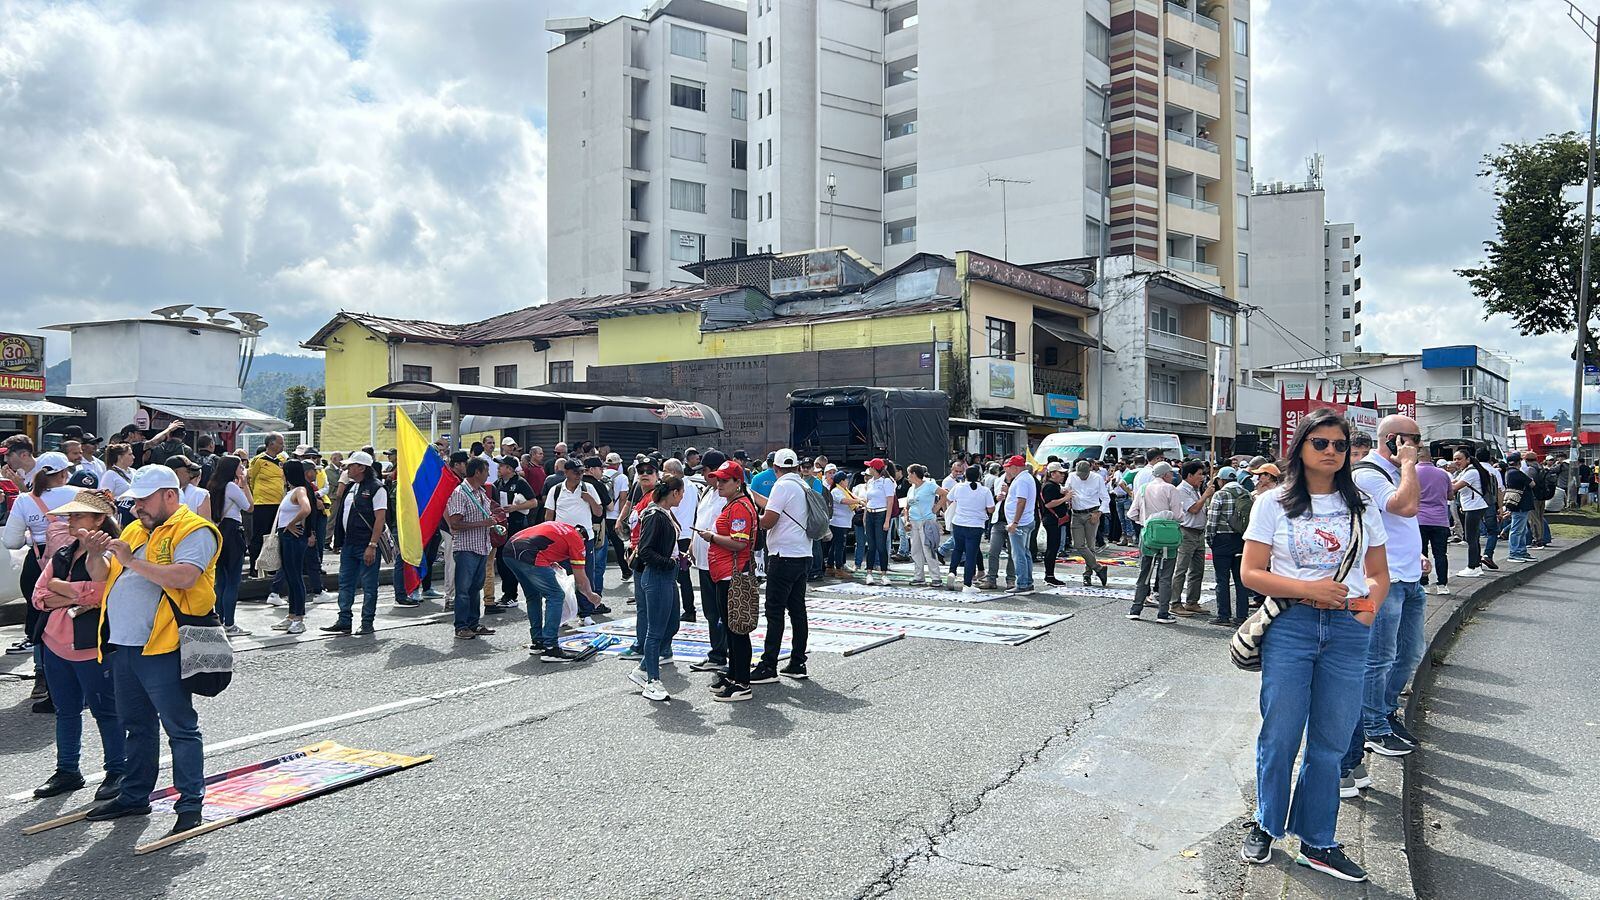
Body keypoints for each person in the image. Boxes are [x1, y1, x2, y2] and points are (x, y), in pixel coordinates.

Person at [1238, 409, 1389, 883]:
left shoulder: (1361, 503)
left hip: (1347, 631)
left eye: (1339, 445)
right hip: (1291, 626)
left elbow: (1379, 574)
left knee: (1331, 740)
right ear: (1300, 446)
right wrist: (1309, 591)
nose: (1330, 452)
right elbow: (1251, 572)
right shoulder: (1273, 502)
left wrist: (1365, 613)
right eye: (1320, 443)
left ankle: (1318, 841)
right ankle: (1267, 824)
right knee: (1280, 734)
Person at [85, 464, 220, 837]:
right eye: (134, 500)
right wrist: (94, 553)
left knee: (180, 727)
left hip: (165, 643)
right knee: (136, 726)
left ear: (170, 496)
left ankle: (190, 803)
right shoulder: (133, 528)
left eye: (144, 499)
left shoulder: (194, 529)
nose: (137, 506)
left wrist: (129, 560)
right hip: (124, 644)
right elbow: (100, 575)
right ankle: (134, 795)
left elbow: (185, 576)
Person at [1338, 414, 1424, 799]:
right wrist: (1408, 464)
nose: (1418, 446)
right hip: (1382, 583)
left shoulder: (1399, 471)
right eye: (1412, 439)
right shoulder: (1368, 473)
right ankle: (1373, 727)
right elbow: (1405, 508)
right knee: (1378, 658)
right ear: (1391, 440)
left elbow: (1409, 520)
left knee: (1408, 655)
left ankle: (1384, 712)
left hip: (1409, 578)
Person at [29, 489, 127, 801]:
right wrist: (75, 593)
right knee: (65, 711)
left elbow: (103, 593)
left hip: (91, 646)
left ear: (100, 519)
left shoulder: (112, 551)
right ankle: (67, 769)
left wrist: (63, 590)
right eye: (69, 515)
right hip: (54, 643)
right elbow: (38, 595)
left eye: (78, 515)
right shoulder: (63, 552)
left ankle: (117, 770)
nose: (70, 520)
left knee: (105, 711)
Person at [4, 452, 76, 679]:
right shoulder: (80, 494)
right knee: (77, 611)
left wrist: (33, 536)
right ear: (64, 473)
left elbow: (11, 541)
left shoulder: (26, 500)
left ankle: (42, 674)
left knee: (39, 615)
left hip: (39, 562)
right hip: (76, 561)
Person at [752, 449, 815, 682]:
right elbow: (782, 508)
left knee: (774, 611)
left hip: (782, 554)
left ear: (775, 468)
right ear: (797, 466)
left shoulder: (781, 486)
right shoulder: (802, 485)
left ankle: (768, 665)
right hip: (803, 553)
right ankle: (798, 662)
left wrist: (753, 518)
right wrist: (755, 496)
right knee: (797, 609)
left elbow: (769, 520)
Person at [698, 461, 758, 700]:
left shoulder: (740, 507)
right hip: (725, 574)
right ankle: (735, 675)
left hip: (732, 575)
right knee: (732, 628)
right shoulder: (732, 504)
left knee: (737, 629)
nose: (719, 484)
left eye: (724, 480)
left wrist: (712, 537)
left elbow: (740, 543)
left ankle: (742, 682)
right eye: (718, 480)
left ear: (738, 482)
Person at [501, 520, 602, 663]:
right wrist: (590, 595)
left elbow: (542, 540)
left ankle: (538, 642)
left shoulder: (561, 526)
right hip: (529, 553)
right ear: (584, 538)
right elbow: (580, 579)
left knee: (533, 596)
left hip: (509, 549)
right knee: (556, 595)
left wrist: (548, 560)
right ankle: (551, 647)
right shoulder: (577, 540)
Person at [631, 476, 685, 701]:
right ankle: (652, 680)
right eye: (681, 493)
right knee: (655, 631)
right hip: (656, 577)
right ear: (673, 493)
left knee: (672, 625)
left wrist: (677, 559)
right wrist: (669, 562)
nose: (682, 497)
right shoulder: (655, 515)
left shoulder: (663, 514)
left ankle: (643, 669)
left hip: (667, 576)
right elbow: (645, 551)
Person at [326, 451, 388, 635]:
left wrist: (372, 545)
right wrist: (338, 539)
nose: (348, 468)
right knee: (345, 583)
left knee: (369, 585)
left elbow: (380, 518)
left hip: (366, 544)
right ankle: (344, 620)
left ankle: (367, 622)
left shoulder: (377, 488)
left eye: (352, 466)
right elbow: (341, 516)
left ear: (362, 468)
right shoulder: (351, 487)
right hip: (349, 544)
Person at [1126, 461, 1185, 623]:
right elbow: (1179, 515)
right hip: (1168, 537)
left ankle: (1135, 609)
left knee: (1144, 573)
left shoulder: (1144, 488)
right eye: (1171, 473)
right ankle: (1163, 613)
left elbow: (1132, 513)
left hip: (1148, 535)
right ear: (1165, 474)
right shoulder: (1170, 489)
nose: (1172, 476)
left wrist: (1145, 521)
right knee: (1165, 575)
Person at [445, 458, 497, 640]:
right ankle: (461, 626)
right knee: (464, 589)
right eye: (486, 471)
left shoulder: (481, 492)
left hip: (482, 546)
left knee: (476, 588)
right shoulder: (461, 493)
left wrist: (492, 525)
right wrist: (482, 523)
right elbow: (455, 523)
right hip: (467, 548)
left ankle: (474, 623)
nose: (488, 475)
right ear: (477, 472)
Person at [202, 455, 254, 635]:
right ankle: (230, 624)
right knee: (233, 580)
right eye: (240, 467)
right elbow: (249, 507)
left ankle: (220, 620)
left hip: (218, 532)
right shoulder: (231, 486)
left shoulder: (213, 485)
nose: (242, 470)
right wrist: (245, 484)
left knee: (221, 580)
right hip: (232, 532)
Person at [688, 460, 729, 670]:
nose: (703, 475)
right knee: (711, 612)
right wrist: (693, 546)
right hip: (703, 562)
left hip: (721, 562)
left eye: (704, 471)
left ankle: (720, 655)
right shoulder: (706, 492)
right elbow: (700, 520)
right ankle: (717, 652)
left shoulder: (729, 495)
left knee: (723, 612)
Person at [266, 460, 313, 635]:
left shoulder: (300, 490)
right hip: (288, 537)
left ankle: (299, 617)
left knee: (295, 577)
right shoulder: (292, 491)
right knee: (290, 576)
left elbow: (306, 509)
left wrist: (292, 524)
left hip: (293, 537)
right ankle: (292, 615)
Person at [488, 457, 537, 613]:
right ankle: (507, 593)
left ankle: (512, 595)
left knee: (511, 560)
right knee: (501, 560)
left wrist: (516, 507)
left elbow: (534, 502)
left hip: (517, 525)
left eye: (502, 466)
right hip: (502, 526)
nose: (499, 469)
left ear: (509, 468)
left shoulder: (520, 482)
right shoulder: (498, 483)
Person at [1204, 466, 1253, 626]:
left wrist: (1210, 540)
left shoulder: (1220, 495)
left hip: (1222, 539)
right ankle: (1241, 616)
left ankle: (1223, 615)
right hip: (1241, 540)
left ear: (1221, 480)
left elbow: (1212, 520)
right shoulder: (1247, 494)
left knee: (1222, 579)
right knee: (1240, 580)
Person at [944, 466, 996, 593]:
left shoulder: (959, 487)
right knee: (971, 554)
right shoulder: (984, 491)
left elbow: (949, 498)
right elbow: (991, 509)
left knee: (957, 549)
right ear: (979, 476)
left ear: (965, 476)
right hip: (976, 524)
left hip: (959, 522)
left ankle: (952, 572)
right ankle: (967, 584)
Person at [663, 459, 701, 621]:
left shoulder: (676, 488)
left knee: (677, 576)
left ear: (673, 472)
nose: (662, 475)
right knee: (683, 576)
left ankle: (688, 610)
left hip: (677, 536)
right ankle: (688, 608)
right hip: (687, 534)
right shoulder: (692, 486)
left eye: (665, 471)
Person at [245, 432, 285, 577]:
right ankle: (254, 568)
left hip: (278, 503)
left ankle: (271, 565)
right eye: (280, 443)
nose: (283, 446)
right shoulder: (258, 460)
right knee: (258, 536)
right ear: (271, 443)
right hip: (262, 503)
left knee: (273, 536)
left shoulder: (281, 460)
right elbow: (251, 479)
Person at [1064, 459, 1109, 588]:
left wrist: (1099, 512)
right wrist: (1063, 491)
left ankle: (1087, 574)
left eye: (1084, 474)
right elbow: (1066, 488)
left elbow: (1105, 498)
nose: (1082, 477)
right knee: (1078, 544)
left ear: (1090, 470)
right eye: (1080, 474)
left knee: (1090, 546)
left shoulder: (1097, 478)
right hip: (1076, 514)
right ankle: (1099, 568)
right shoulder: (1072, 476)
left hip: (1092, 513)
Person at [1449, 448, 1492, 579]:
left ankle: (1472, 566)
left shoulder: (1471, 472)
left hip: (1474, 507)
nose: (1456, 461)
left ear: (1467, 459)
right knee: (1474, 537)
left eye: (1459, 459)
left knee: (1470, 538)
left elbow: (1455, 487)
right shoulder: (1465, 471)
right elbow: (1453, 483)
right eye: (1455, 459)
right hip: (1472, 506)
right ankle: (1477, 565)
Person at [1416, 452, 1453, 595]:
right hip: (1440, 520)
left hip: (1419, 519)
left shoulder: (1411, 472)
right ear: (1431, 458)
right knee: (1440, 554)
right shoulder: (1443, 474)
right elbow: (1450, 495)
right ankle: (1442, 585)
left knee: (1421, 552)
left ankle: (1423, 583)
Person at [1039, 463, 1071, 586]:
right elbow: (1049, 504)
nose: (1063, 475)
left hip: (1055, 520)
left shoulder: (1054, 486)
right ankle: (1049, 576)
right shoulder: (1049, 486)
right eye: (1060, 473)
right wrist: (1065, 498)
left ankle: (1050, 575)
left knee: (1054, 548)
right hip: (1052, 521)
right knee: (1052, 548)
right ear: (1052, 474)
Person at [1502, 452, 1537, 562]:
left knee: (1522, 529)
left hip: (1516, 503)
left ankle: (1521, 551)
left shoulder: (1508, 472)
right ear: (1519, 462)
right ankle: (1514, 553)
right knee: (1517, 530)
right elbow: (1532, 484)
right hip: (1521, 504)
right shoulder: (1517, 473)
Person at [604, 453, 632, 584]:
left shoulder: (601, 476)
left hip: (601, 515)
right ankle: (625, 571)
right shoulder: (622, 478)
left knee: (599, 545)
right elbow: (623, 498)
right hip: (615, 516)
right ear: (618, 464)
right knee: (618, 545)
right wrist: (622, 517)